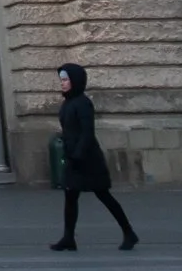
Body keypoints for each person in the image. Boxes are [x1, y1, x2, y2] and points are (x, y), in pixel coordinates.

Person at [51, 64, 137, 253]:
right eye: (62, 80)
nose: (63, 84)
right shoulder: (68, 103)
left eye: (66, 80)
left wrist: (78, 154)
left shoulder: (83, 103)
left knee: (104, 195)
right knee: (70, 197)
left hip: (88, 160)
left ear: (75, 81)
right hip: (74, 158)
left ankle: (129, 232)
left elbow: (87, 132)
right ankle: (68, 238)